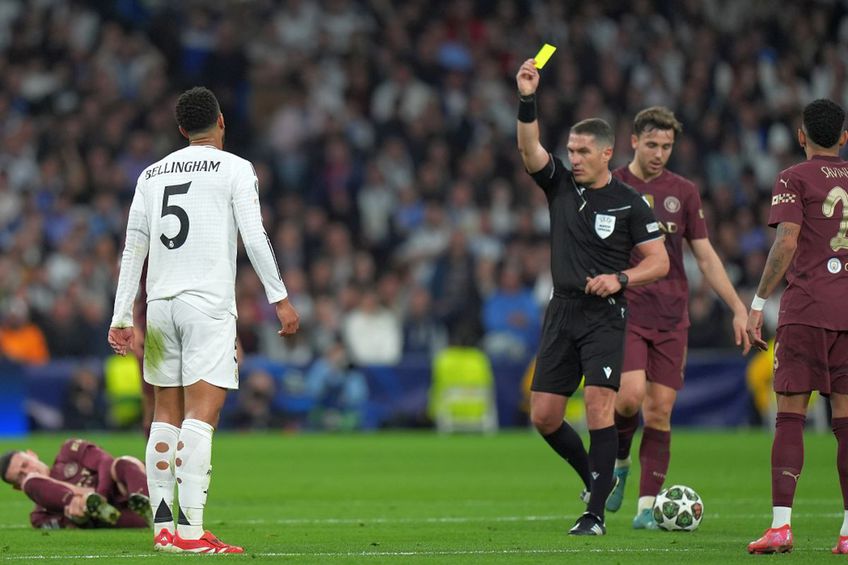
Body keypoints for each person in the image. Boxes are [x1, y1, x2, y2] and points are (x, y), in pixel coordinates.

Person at [108, 86, 299, 554]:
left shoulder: (150, 175)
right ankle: (191, 533)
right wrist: (281, 298)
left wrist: (120, 315)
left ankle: (164, 531)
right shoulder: (235, 168)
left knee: (165, 416)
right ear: (221, 122)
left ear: (180, 130)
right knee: (202, 415)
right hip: (207, 305)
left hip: (159, 308)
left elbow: (134, 247)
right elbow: (254, 236)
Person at [515, 59, 669, 536]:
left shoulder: (630, 202)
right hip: (562, 309)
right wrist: (527, 97)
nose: (573, 157)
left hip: (604, 314)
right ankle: (592, 480)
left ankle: (595, 514)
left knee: (599, 407)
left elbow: (658, 262)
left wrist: (621, 279)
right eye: (571, 150)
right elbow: (528, 148)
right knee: (544, 416)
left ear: (606, 154)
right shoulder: (559, 184)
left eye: (582, 151)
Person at [605, 107, 751, 528]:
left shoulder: (683, 191)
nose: (659, 153)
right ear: (633, 141)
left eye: (667, 146)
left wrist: (738, 306)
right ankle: (619, 463)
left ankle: (646, 508)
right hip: (628, 308)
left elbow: (704, 257)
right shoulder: (613, 183)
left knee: (661, 410)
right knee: (630, 397)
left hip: (672, 315)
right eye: (652, 144)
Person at [745, 99, 848, 555]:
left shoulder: (792, 178)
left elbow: (786, 241)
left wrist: (758, 302)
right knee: (846, 422)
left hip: (806, 308)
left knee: (790, 413)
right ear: (844, 137)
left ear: (801, 136)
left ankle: (781, 527)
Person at [0, 438, 150, 530]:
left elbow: (104, 460)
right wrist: (76, 514)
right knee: (32, 482)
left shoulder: (67, 451)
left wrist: (100, 495)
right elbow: (70, 524)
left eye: (26, 464)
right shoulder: (40, 516)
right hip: (112, 517)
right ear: (18, 487)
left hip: (122, 489)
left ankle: (148, 505)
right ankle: (95, 506)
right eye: (20, 477)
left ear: (32, 454)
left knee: (122, 463)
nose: (28, 471)